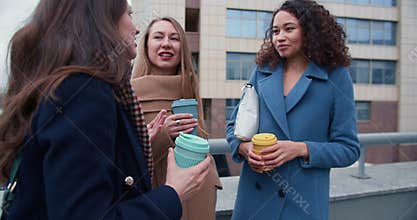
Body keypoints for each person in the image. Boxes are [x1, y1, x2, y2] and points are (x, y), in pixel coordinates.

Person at [0, 0, 211, 219]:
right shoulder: (83, 91)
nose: (136, 27)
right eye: (128, 15)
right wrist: (172, 193)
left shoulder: (63, 82)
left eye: (174, 38)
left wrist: (135, 144)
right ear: (103, 20)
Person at [226, 0, 360, 219]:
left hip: (302, 205)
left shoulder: (336, 77)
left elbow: (349, 149)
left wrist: (300, 149)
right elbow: (233, 127)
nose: (279, 37)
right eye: (275, 31)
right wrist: (245, 149)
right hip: (254, 201)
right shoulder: (262, 71)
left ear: (311, 30)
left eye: (289, 29)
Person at [131, 17, 221, 220]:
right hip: (158, 193)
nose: (166, 44)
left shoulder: (189, 86)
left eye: (174, 38)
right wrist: (164, 134)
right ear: (146, 44)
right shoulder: (129, 92)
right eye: (158, 37)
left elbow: (200, 139)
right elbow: (124, 158)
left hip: (200, 189)